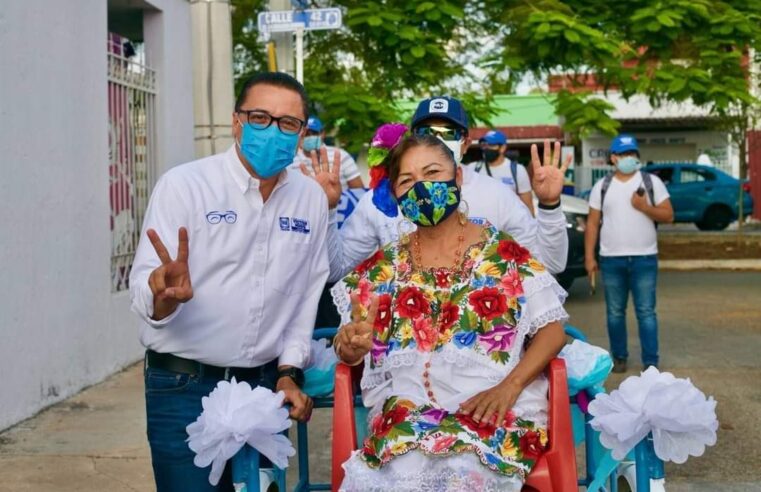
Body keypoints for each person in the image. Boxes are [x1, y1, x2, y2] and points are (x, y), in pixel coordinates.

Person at [332, 134, 568, 491]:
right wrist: (349, 346)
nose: (421, 188)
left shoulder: (503, 254)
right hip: (408, 415)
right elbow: (348, 343)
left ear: (457, 179)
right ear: (396, 195)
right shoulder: (383, 267)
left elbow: (552, 331)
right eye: (407, 180)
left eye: (432, 173)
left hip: (492, 406)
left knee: (461, 474)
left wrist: (509, 387)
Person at [129, 72, 329, 491]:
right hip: (182, 386)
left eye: (287, 123)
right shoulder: (185, 186)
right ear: (237, 121)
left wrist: (289, 371)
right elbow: (146, 295)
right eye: (260, 117)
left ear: (301, 134)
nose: (272, 131)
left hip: (262, 387)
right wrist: (164, 293)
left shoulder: (309, 199)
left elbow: (304, 296)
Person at [314, 96, 570, 284]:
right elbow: (336, 270)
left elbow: (550, 264)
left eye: (446, 132)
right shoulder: (381, 199)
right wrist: (327, 209)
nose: (436, 139)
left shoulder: (498, 196)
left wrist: (549, 205)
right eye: (426, 132)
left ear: (465, 143)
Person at [584, 134, 674, 373]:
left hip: (644, 257)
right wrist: (589, 257)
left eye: (633, 154)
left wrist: (645, 207)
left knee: (646, 312)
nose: (629, 158)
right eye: (624, 154)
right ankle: (620, 357)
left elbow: (668, 215)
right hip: (611, 259)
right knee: (614, 312)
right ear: (613, 158)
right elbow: (592, 224)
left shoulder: (651, 182)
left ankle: (651, 362)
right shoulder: (601, 187)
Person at [290, 116, 365, 190]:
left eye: (314, 133)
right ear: (300, 135)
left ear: (323, 134)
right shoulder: (291, 160)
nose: (310, 137)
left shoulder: (340, 155)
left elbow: (359, 191)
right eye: (306, 134)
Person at [474, 130, 534, 215]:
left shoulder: (517, 170)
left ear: (502, 148)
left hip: (510, 225)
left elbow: (528, 205)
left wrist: (531, 226)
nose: (487, 148)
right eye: (484, 145)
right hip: (482, 225)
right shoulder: (474, 169)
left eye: (491, 145)